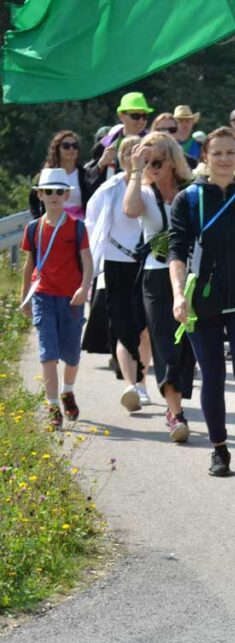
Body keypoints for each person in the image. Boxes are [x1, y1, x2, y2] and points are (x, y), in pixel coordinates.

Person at [168, 127, 235, 480]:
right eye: (218, 153)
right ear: (205, 158)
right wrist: (179, 295)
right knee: (212, 375)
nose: (225, 159)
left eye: (231, 153)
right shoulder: (189, 200)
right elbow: (176, 251)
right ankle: (218, 450)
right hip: (202, 302)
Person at [123, 132, 195, 442]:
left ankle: (180, 402)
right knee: (165, 342)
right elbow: (130, 210)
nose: (152, 167)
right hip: (156, 275)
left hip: (192, 276)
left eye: (157, 162)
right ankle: (175, 412)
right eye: (147, 162)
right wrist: (135, 170)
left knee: (188, 346)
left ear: (172, 162)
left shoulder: (191, 192)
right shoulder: (144, 193)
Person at [20, 168, 93, 429]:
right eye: (48, 191)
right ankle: (53, 407)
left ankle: (67, 390)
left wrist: (84, 288)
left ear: (66, 195)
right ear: (39, 195)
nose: (54, 195)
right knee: (47, 353)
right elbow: (29, 266)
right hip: (43, 297)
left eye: (59, 191)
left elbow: (88, 262)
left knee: (72, 355)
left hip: (71, 300)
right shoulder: (33, 229)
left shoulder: (77, 228)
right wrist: (24, 298)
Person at [85, 135, 154, 412]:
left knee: (145, 329)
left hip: (147, 263)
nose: (133, 159)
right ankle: (130, 384)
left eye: (138, 153)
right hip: (116, 264)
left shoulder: (151, 188)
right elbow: (94, 225)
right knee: (123, 327)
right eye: (128, 153)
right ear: (121, 158)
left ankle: (143, 382)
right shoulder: (109, 189)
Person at [29, 131, 97, 221]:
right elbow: (34, 197)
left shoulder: (84, 175)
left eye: (75, 146)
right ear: (57, 149)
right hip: (53, 223)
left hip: (80, 225)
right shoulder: (49, 175)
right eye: (66, 146)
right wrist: (38, 219)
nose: (71, 149)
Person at [86, 91, 152, 183]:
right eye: (135, 116)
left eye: (144, 116)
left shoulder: (153, 143)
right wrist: (101, 164)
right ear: (121, 116)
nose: (141, 121)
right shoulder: (106, 144)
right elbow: (88, 180)